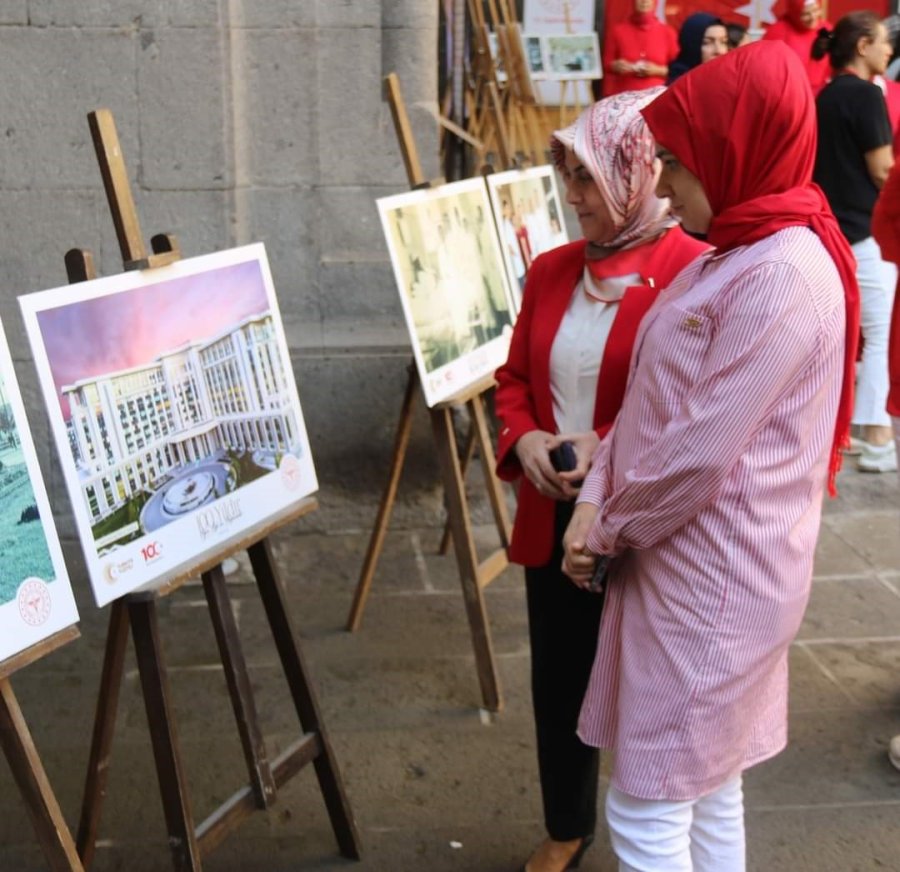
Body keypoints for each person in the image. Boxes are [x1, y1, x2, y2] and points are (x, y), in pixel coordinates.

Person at [562, 41, 859, 870]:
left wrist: (605, 526)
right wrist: (595, 506)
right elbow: (652, 405)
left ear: (737, 151)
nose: (662, 181)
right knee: (706, 782)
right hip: (693, 569)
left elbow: (696, 452)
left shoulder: (782, 271)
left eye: (676, 161)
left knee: (650, 805)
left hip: (714, 581)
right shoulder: (737, 249)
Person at [493, 89, 707, 872]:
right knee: (560, 677)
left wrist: (601, 445)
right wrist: (527, 440)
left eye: (584, 178)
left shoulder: (692, 270)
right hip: (553, 515)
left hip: (646, 516)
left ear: (637, 171)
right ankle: (567, 823)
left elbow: (688, 406)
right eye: (567, 177)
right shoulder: (550, 270)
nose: (571, 197)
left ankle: (660, 824)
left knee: (654, 687)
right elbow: (512, 379)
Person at [813, 12, 897, 471]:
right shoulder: (866, 95)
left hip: (829, 233)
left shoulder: (823, 95)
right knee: (881, 334)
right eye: (884, 43)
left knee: (846, 337)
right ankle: (876, 434)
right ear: (863, 46)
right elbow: (883, 170)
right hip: (865, 235)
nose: (889, 51)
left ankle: (845, 433)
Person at [603, 0, 678, 96]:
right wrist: (616, 66)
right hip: (624, 97)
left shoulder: (668, 32)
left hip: (657, 97)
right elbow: (607, 64)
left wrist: (657, 70)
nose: (644, 1)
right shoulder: (617, 31)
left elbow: (677, 70)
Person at [763, 0, 832, 93]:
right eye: (805, 14)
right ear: (794, 13)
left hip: (821, 94)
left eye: (816, 10)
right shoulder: (777, 32)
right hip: (789, 93)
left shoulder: (826, 29)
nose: (813, 17)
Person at [667, 13, 729, 83]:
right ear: (691, 46)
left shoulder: (728, 81)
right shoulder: (677, 87)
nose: (719, 51)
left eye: (724, 42)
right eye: (707, 42)